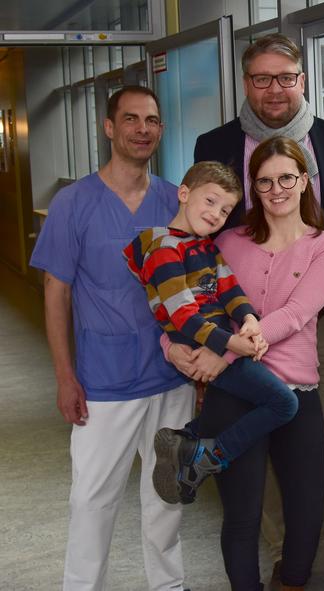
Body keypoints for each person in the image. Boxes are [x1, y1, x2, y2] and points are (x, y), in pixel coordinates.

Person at [194, 32, 324, 590]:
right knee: (257, 456)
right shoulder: (213, 143)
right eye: (261, 78)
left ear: (302, 80)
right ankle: (284, 552)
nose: (275, 89)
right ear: (246, 84)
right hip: (241, 332)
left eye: (285, 77)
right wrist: (214, 338)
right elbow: (204, 244)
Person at [29, 86, 195, 591]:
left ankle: (168, 585)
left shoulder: (175, 200)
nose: (142, 129)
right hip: (104, 381)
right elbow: (55, 293)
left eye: (151, 120)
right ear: (109, 127)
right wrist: (65, 376)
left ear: (160, 129)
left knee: (167, 494)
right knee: (92, 500)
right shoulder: (73, 203)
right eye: (130, 119)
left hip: (171, 377)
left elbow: (197, 287)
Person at [168, 137, 324, 590]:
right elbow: (178, 296)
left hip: (297, 392)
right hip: (234, 394)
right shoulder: (226, 240)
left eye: (287, 177)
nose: (277, 189)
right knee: (241, 517)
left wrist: (222, 351)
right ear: (253, 189)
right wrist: (170, 349)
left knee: (306, 513)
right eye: (264, 182)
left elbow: (296, 314)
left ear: (304, 181)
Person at [124, 161, 298, 505]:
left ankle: (187, 437)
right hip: (197, 343)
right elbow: (182, 315)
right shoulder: (163, 248)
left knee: (244, 404)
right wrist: (232, 344)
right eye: (210, 201)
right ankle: (208, 457)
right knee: (284, 403)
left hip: (219, 340)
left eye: (225, 209)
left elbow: (231, 291)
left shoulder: (205, 246)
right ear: (184, 194)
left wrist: (249, 320)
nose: (217, 214)